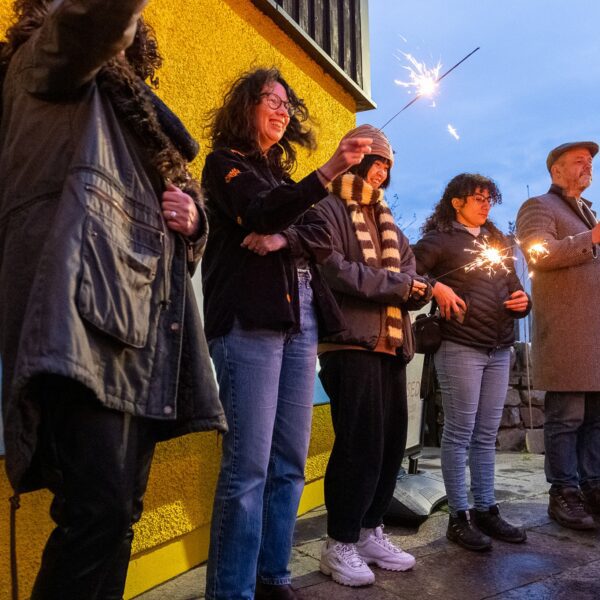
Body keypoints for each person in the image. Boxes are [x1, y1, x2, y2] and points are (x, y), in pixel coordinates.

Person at [0, 2, 227, 598]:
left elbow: (174, 204)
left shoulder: (130, 109)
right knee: (95, 513)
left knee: (120, 512)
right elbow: (89, 22)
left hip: (142, 318)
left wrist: (194, 217)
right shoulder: (45, 61)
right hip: (78, 309)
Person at [201, 67, 373, 600]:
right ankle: (231, 590)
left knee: (290, 462)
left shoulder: (282, 173)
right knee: (248, 465)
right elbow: (258, 209)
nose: (280, 110)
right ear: (244, 106)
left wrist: (282, 240)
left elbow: (322, 230)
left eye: (285, 103)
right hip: (249, 320)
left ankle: (273, 577)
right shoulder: (224, 164)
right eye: (269, 100)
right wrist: (327, 172)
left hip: (301, 320)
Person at [312, 124, 431, 587]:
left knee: (388, 444)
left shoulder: (393, 227)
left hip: (392, 346)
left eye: (386, 166)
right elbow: (336, 271)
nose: (380, 173)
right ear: (356, 161)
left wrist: (415, 290)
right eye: (374, 163)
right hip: (349, 343)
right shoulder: (326, 208)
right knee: (358, 444)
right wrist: (403, 286)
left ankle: (369, 531)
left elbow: (409, 277)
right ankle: (338, 543)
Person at [413, 173, 530, 551]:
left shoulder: (496, 241)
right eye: (476, 197)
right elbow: (408, 271)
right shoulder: (439, 240)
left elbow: (513, 284)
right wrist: (436, 286)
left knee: (485, 435)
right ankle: (458, 517)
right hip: (460, 344)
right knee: (460, 433)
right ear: (456, 202)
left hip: (500, 347)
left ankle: (486, 509)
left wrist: (523, 302)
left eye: (488, 198)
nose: (484, 204)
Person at [516, 141, 600, 530]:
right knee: (566, 418)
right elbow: (540, 254)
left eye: (590, 162)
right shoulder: (539, 208)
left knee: (596, 420)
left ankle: (592, 488)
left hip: (595, 339)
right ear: (556, 171)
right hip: (567, 335)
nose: (588, 167)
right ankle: (563, 494)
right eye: (578, 161)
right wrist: (593, 238)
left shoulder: (588, 212)